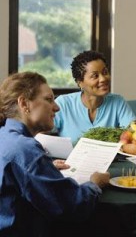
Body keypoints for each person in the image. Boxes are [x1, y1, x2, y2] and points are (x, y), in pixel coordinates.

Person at [0, 72, 110, 236]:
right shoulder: (26, 150)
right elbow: (73, 206)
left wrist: (45, 167)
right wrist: (95, 184)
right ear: (24, 104)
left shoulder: (5, 136)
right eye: (49, 99)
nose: (57, 107)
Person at [54, 50, 136, 145]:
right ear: (80, 82)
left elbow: (135, 134)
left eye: (105, 72)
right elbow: (41, 135)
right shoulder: (63, 104)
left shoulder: (117, 102)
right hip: (68, 159)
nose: (103, 79)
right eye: (95, 76)